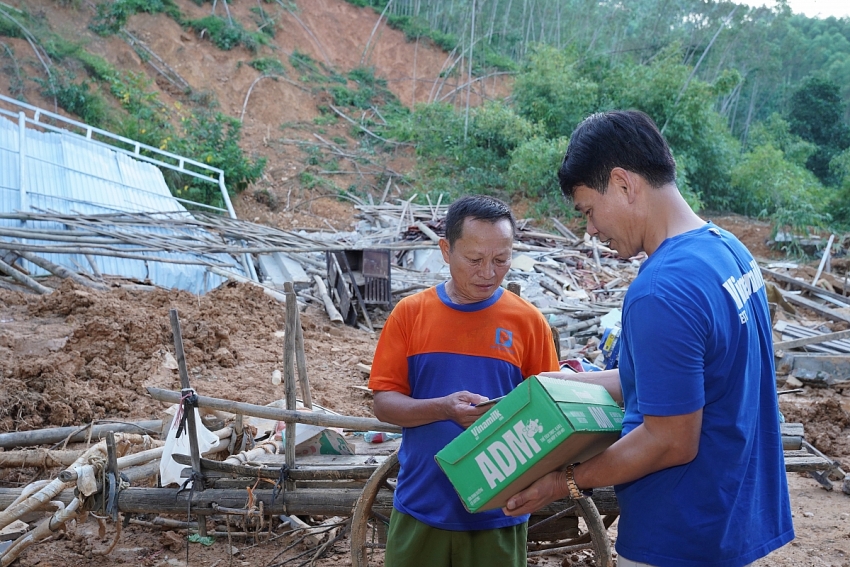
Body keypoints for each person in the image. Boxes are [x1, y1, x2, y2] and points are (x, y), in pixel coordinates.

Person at [503, 110, 794, 567]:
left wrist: (567, 483)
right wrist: (553, 386)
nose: (591, 230)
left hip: (680, 534)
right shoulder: (728, 250)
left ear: (623, 183)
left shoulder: (661, 289)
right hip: (730, 517)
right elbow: (670, 379)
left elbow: (669, 439)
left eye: (588, 210)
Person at [368, 195, 560, 567]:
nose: (488, 272)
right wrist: (442, 408)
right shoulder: (410, 315)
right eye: (475, 260)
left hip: (499, 512)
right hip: (422, 505)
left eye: (501, 260)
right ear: (445, 250)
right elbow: (383, 403)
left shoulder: (529, 322)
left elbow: (549, 411)